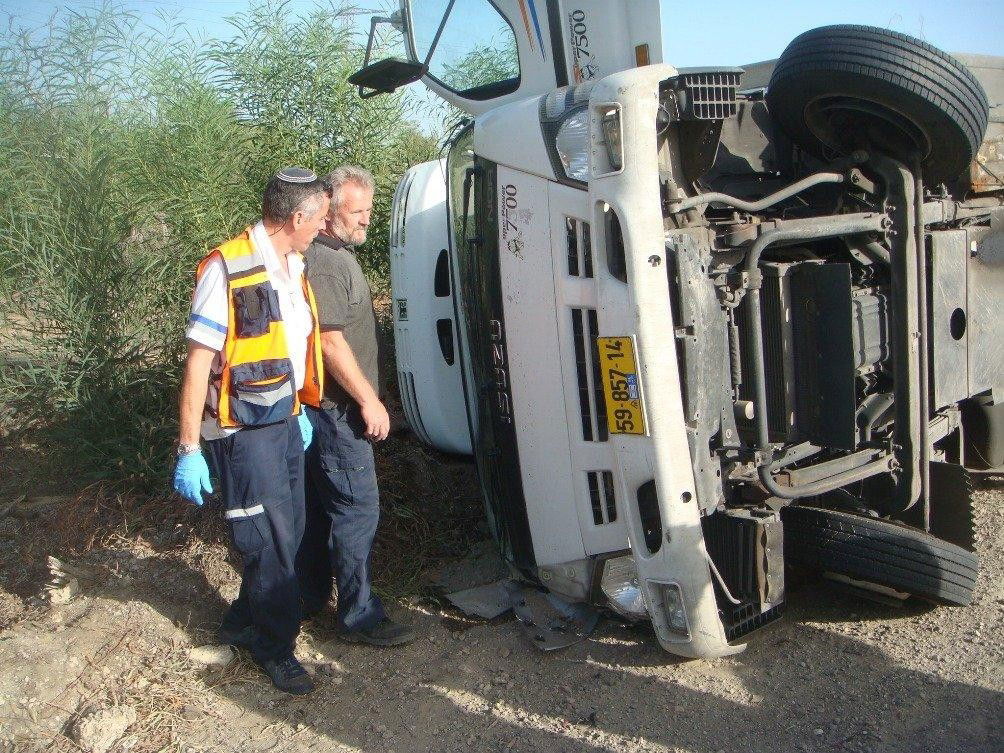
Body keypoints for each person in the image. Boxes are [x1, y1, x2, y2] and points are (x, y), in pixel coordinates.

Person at [172, 167, 329, 695]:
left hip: (282, 421)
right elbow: (198, 362)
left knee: (291, 529)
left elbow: (284, 348)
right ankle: (273, 647)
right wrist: (189, 446)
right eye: (319, 219)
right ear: (296, 217)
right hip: (241, 432)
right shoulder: (228, 267)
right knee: (268, 538)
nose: (322, 228)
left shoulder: (293, 265)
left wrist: (297, 411)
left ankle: (242, 620)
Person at [296, 165, 416, 646]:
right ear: (327, 214)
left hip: (332, 410)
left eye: (370, 210)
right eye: (358, 211)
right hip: (337, 411)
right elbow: (328, 341)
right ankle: (358, 616)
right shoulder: (325, 262)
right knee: (356, 509)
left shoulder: (335, 254)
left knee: (323, 510)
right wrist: (369, 400)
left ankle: (307, 598)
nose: (367, 220)